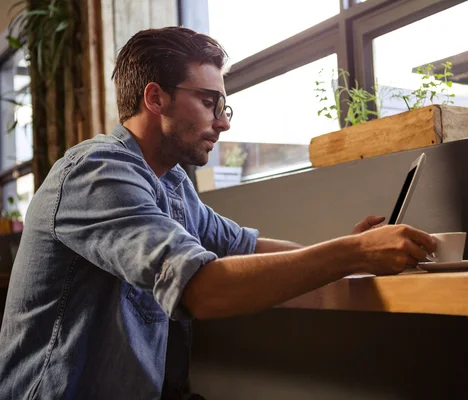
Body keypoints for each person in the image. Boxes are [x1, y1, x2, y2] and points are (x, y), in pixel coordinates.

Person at [0, 27, 435, 399]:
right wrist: (349, 254)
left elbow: (244, 247)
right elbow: (200, 290)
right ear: (156, 97)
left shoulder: (172, 184)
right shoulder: (98, 172)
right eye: (210, 102)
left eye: (223, 106)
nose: (224, 122)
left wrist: (352, 255)